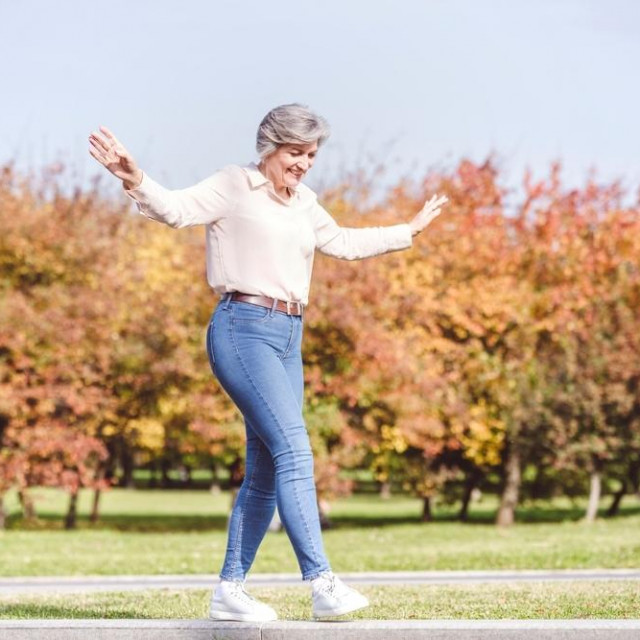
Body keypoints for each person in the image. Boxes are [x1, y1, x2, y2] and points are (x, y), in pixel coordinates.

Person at [88, 104, 447, 622]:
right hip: (242, 328)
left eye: (312, 155)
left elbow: (342, 242)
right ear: (271, 147)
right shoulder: (235, 185)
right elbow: (175, 209)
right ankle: (322, 583)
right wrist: (135, 177)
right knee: (295, 450)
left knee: (264, 469)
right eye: (296, 153)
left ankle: (229, 592)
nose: (304, 164)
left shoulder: (304, 203)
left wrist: (406, 231)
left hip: (288, 337)